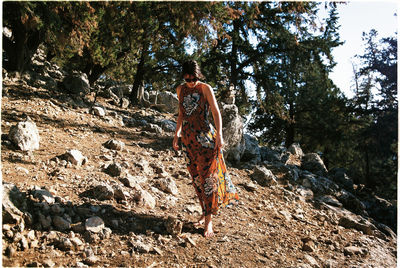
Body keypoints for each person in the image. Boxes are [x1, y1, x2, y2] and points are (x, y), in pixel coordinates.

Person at [173, 60, 239, 237]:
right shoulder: (180, 90)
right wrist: (176, 134)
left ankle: (209, 222)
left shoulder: (205, 88)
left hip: (205, 139)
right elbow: (181, 113)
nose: (190, 82)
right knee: (196, 179)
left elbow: (216, 112)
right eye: (187, 79)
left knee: (208, 179)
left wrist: (219, 135)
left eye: (193, 78)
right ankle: (204, 213)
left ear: (198, 75)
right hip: (188, 140)